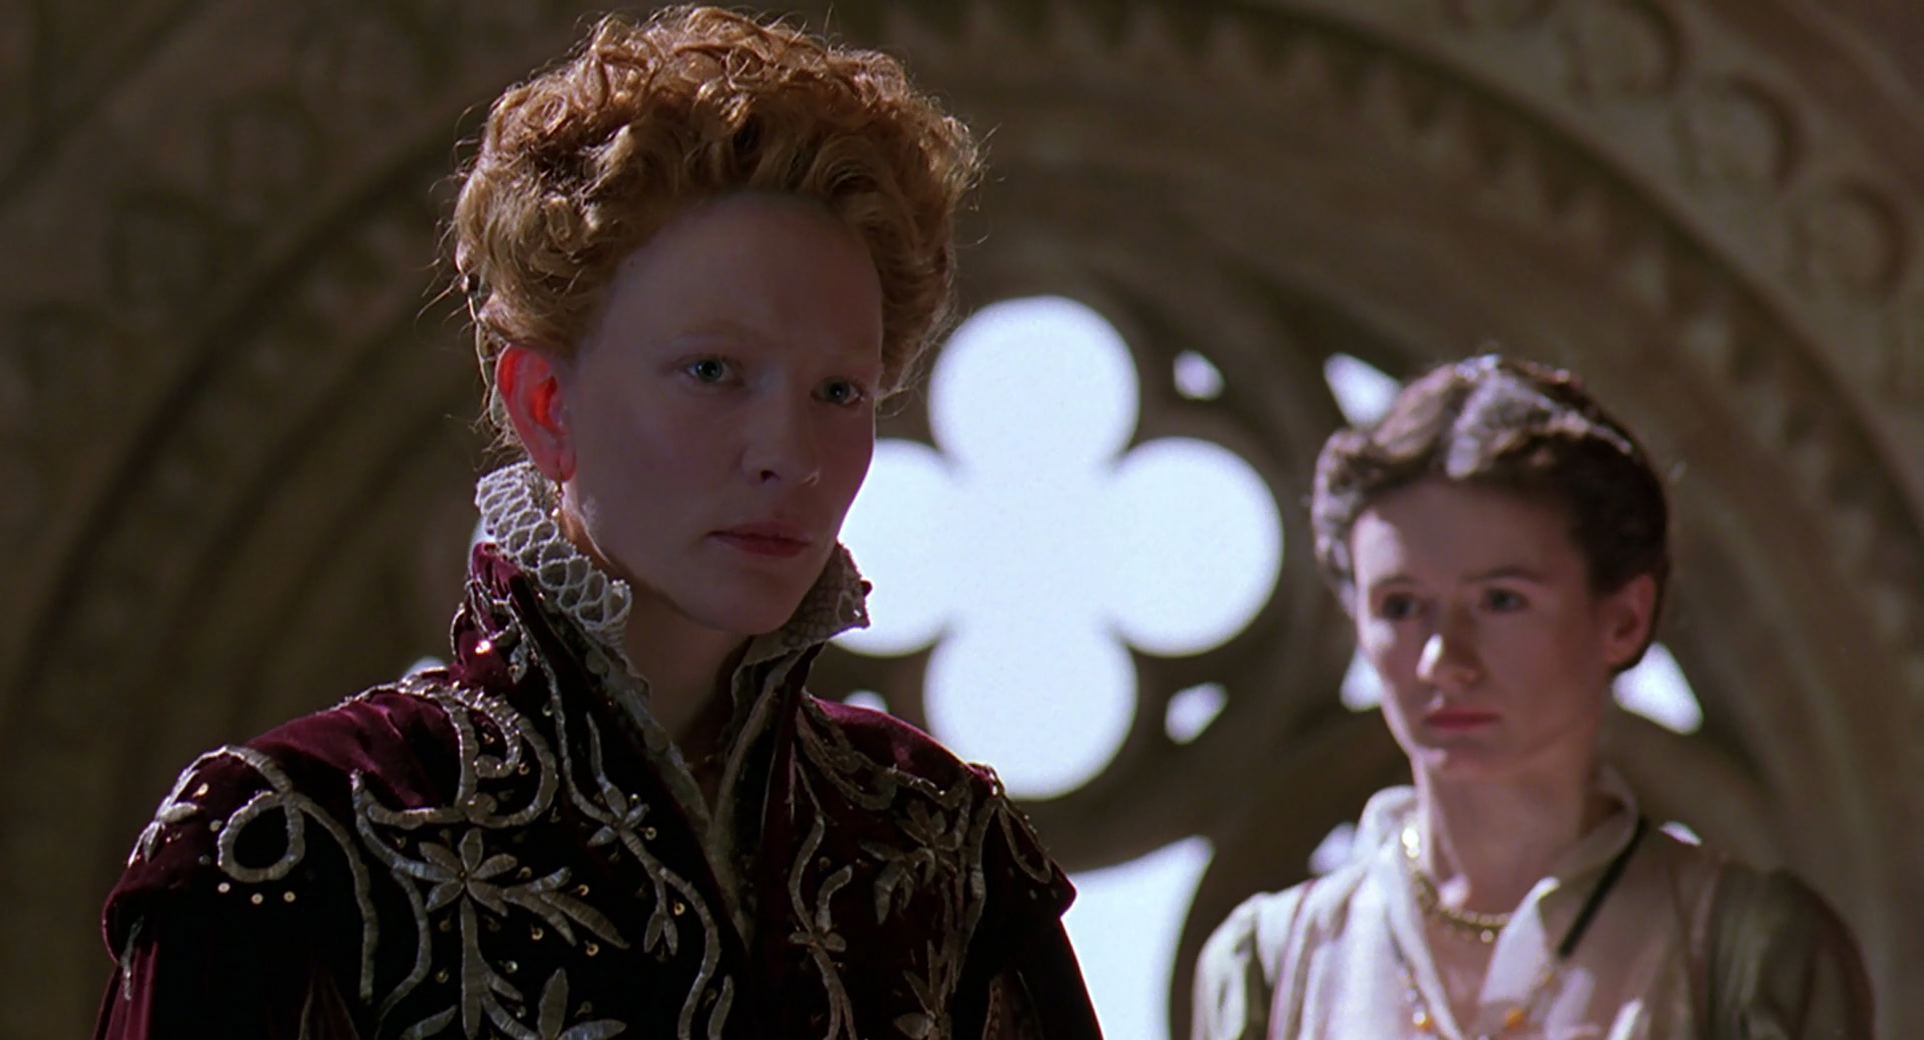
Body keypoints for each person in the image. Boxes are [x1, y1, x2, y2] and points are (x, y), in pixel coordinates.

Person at [94, 8, 1101, 1038]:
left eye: (838, 392)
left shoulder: (945, 854)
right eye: (713, 371)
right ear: (547, 405)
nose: (789, 453)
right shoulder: (293, 843)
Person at [1192, 356, 1872, 1039]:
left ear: (1624, 619)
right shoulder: (1278, 966)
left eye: (1500, 601)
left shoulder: (1746, 956)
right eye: (1401, 606)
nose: (1442, 661)